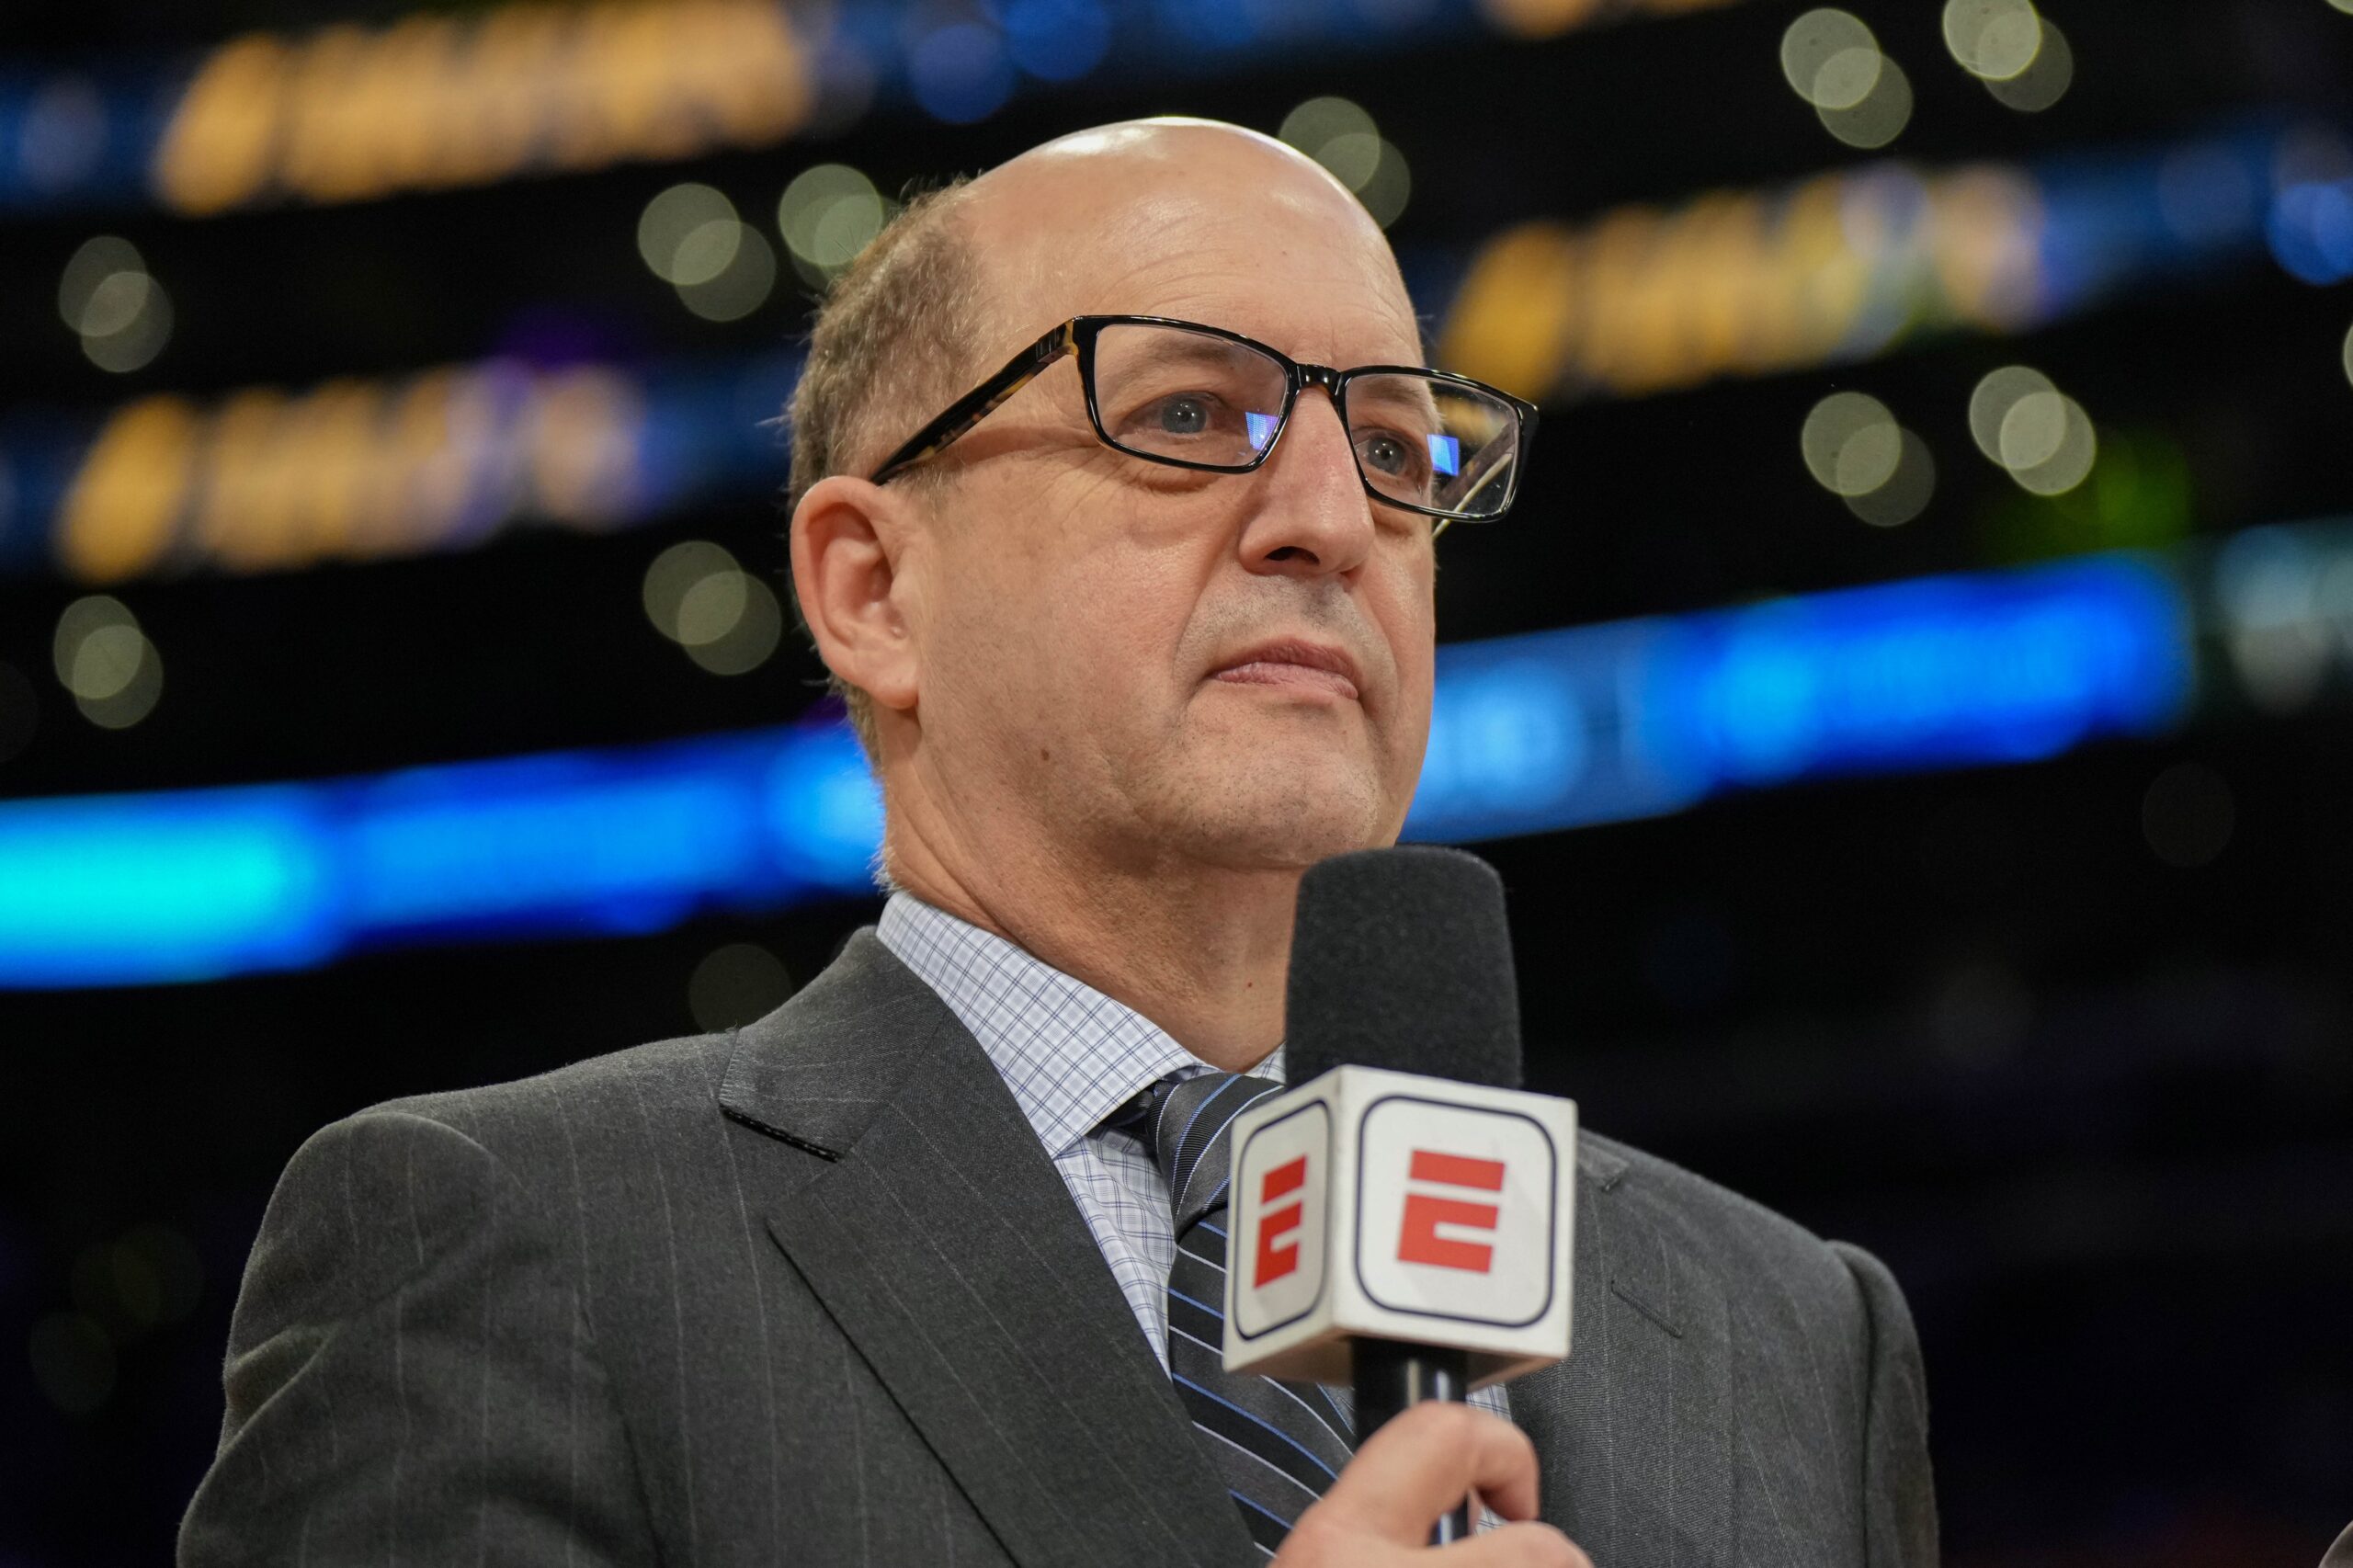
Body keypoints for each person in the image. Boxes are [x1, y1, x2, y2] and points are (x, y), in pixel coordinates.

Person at [179, 119, 1937, 1567]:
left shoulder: (1790, 1335)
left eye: (1400, 446)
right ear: (873, 589)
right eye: (1186, 415)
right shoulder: (505, 1244)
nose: (1333, 518)